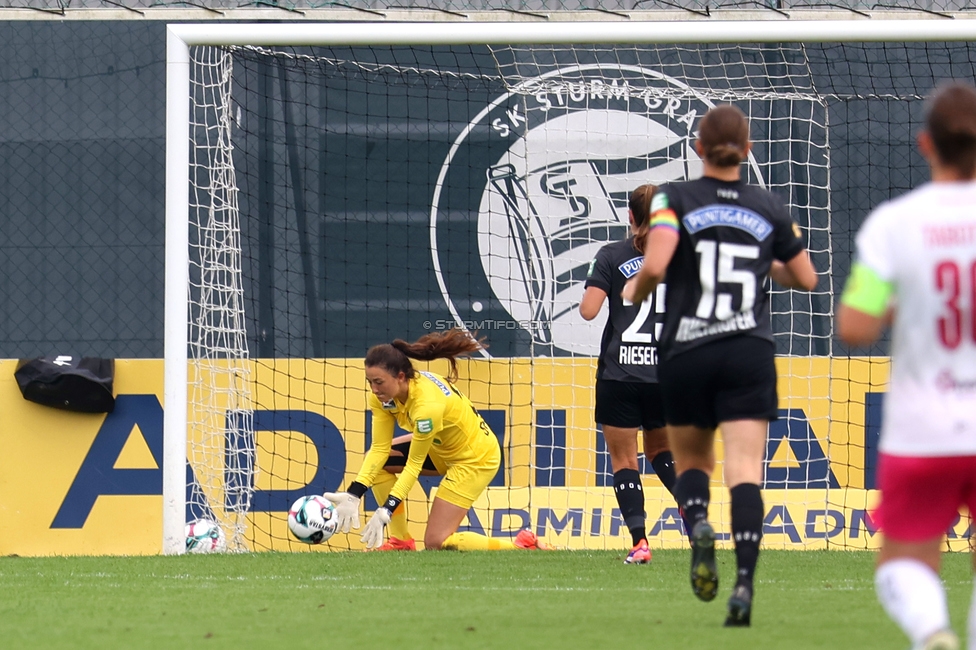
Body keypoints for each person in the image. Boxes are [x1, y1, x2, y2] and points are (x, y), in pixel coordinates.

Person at [622, 104, 817, 627]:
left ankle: (700, 523)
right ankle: (745, 588)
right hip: (748, 350)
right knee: (746, 470)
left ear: (698, 149)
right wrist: (761, 262)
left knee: (693, 466)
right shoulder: (769, 205)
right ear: (747, 150)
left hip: (688, 349)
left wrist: (635, 287)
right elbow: (806, 278)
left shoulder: (673, 199)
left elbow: (657, 264)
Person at [837, 81, 976, 650]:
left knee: (904, 560)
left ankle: (931, 631)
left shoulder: (894, 224)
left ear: (925, 145)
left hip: (921, 430)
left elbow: (855, 327)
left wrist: (902, 301)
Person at [325, 329, 552, 551]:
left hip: (475, 459)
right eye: (369, 382)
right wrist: (355, 493)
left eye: (379, 382)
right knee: (378, 463)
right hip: (441, 447)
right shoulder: (383, 397)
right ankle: (401, 542)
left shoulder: (426, 407)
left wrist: (387, 509)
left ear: (400, 376)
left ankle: (523, 546)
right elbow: (379, 448)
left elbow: (413, 466)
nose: (374, 389)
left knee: (437, 542)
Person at [579, 183, 680, 565]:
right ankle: (692, 510)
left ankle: (640, 543)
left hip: (619, 375)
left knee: (625, 461)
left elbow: (588, 311)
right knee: (662, 452)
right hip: (666, 376)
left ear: (630, 217)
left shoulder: (611, 254)